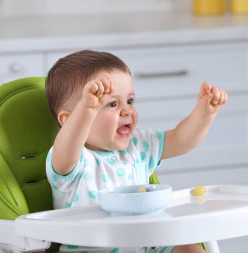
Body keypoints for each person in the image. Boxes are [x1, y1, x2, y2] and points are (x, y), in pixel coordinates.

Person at [45, 50, 228, 253]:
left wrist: (203, 115)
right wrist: (86, 109)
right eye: (112, 104)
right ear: (68, 120)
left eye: (130, 101)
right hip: (94, 249)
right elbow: (67, 147)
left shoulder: (138, 146)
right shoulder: (74, 162)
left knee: (188, 248)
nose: (126, 111)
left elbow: (180, 140)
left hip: (146, 244)